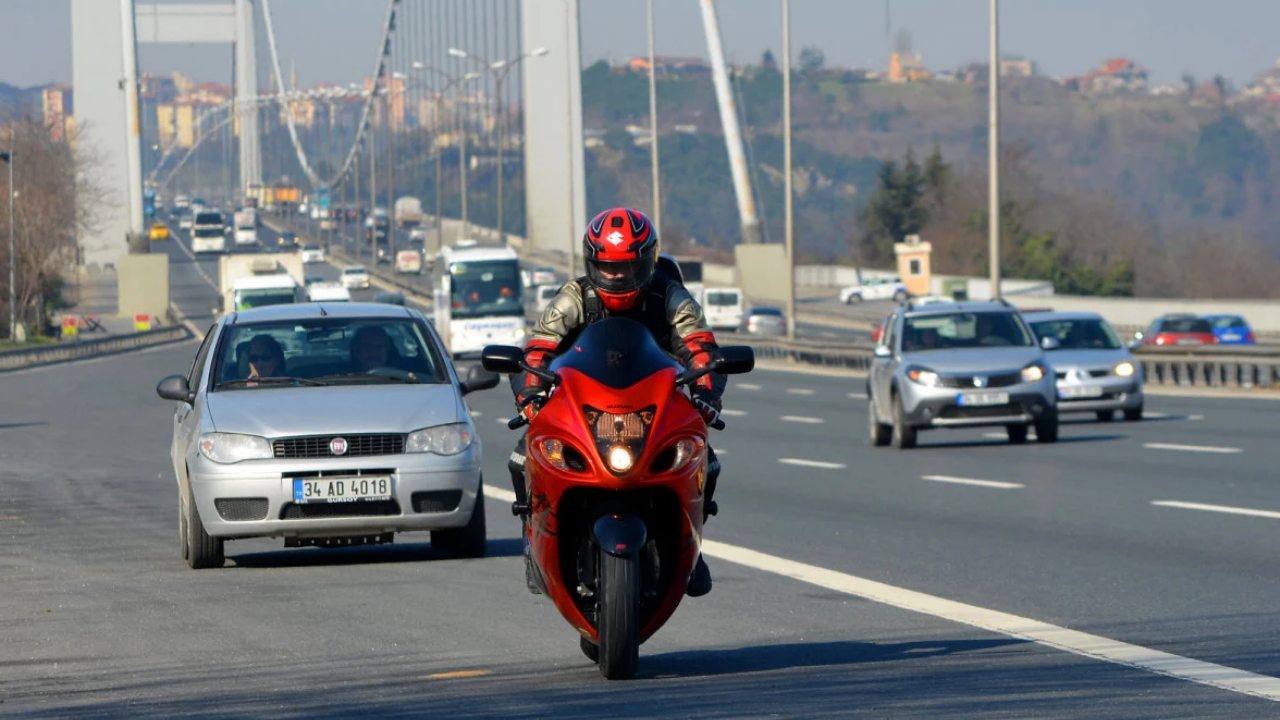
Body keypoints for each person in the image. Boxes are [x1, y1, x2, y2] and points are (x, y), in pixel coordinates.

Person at [508, 207, 726, 598]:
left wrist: (707, 394)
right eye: (607, 267)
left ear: (648, 262)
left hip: (655, 402)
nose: (617, 276)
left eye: (628, 267)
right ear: (592, 263)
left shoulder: (671, 296)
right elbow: (537, 347)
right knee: (522, 454)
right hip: (588, 404)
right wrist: (528, 395)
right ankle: (531, 542)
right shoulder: (573, 297)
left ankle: (690, 543)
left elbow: (701, 346)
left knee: (706, 458)